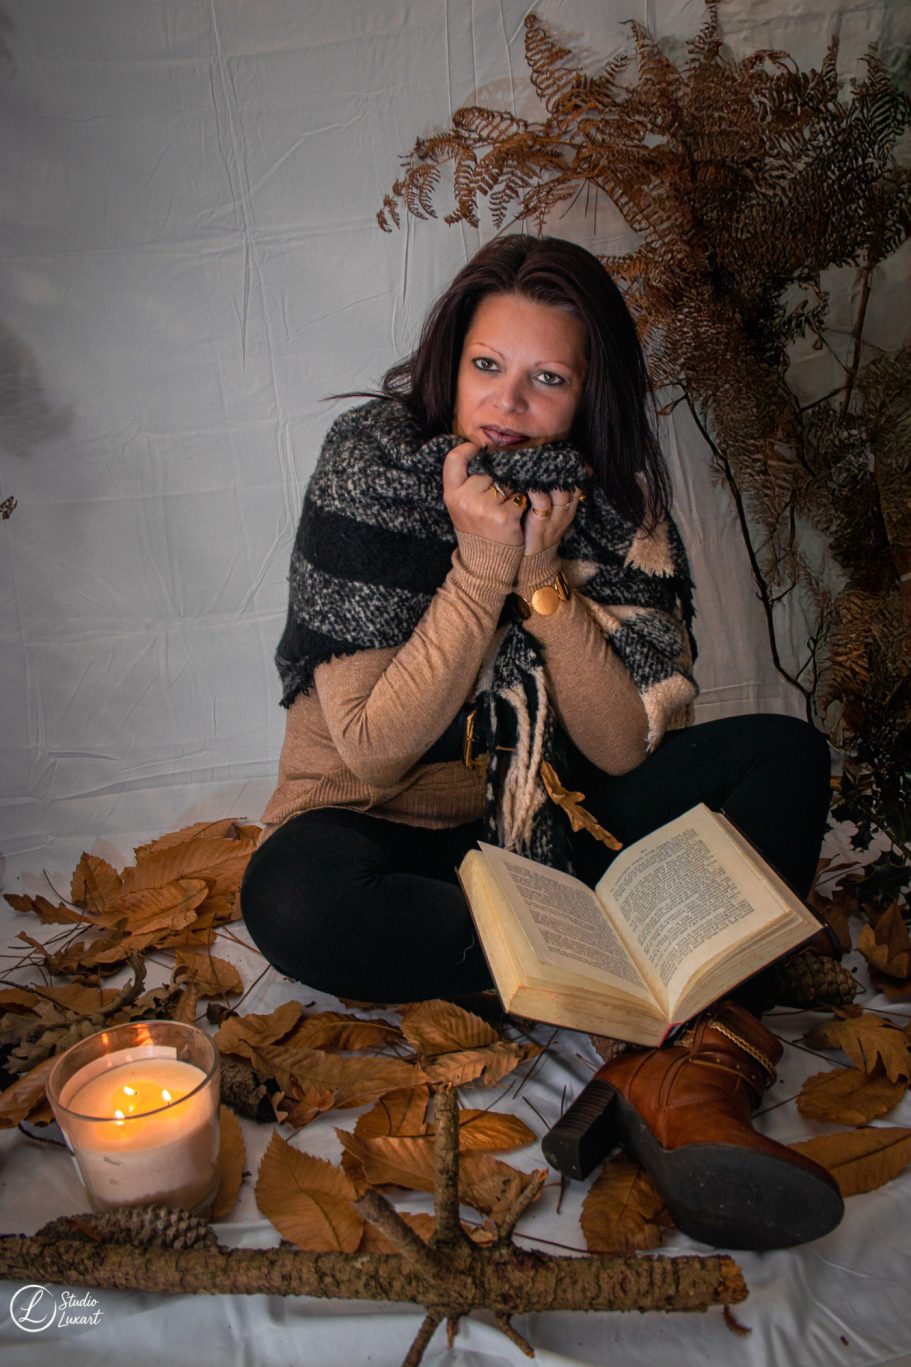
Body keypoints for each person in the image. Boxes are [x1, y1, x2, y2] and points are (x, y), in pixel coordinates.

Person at [241, 234, 842, 1249]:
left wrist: (541, 578)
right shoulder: (373, 467)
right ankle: (651, 1009)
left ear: (585, 394)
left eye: (545, 378)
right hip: (377, 824)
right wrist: (479, 564)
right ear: (451, 361)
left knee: (784, 755)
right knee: (292, 897)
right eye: (487, 365)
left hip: (552, 817)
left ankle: (651, 1047)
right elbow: (377, 747)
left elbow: (616, 752)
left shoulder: (613, 505)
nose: (506, 403)